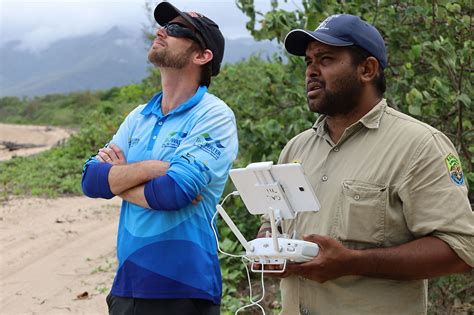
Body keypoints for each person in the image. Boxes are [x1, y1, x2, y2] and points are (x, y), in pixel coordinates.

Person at [258, 13, 474, 314]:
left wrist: (352, 263)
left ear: (367, 69)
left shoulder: (419, 145)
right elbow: (273, 224)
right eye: (308, 62)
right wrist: (268, 246)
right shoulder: (297, 148)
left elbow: (460, 251)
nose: (311, 72)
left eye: (326, 59)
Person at [81, 2, 238, 314]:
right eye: (164, 26)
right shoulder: (140, 116)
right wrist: (154, 168)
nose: (161, 31)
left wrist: (119, 179)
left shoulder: (214, 115)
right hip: (127, 284)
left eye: (177, 29)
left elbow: (173, 192)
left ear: (202, 55)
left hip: (184, 287)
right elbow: (90, 180)